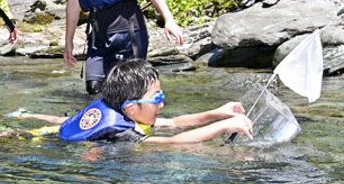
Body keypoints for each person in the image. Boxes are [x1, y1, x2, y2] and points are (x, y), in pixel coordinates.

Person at [18, 59, 253, 144]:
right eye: (157, 98)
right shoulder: (122, 133)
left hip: (54, 130)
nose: (162, 104)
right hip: (51, 143)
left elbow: (175, 123)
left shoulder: (120, 109)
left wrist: (219, 112)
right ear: (131, 108)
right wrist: (223, 127)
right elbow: (174, 143)